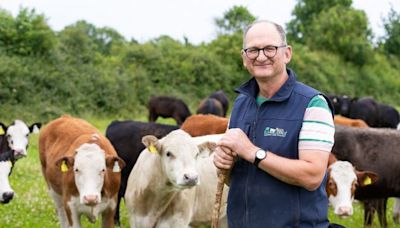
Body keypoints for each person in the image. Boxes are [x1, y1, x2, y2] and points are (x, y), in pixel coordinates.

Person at [213, 20, 335, 227]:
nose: (261, 56)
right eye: (252, 50)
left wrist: (253, 152)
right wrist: (224, 163)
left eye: (270, 49)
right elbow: (234, 179)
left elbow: (312, 175)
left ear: (287, 53)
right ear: (244, 58)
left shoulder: (313, 104)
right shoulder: (241, 103)